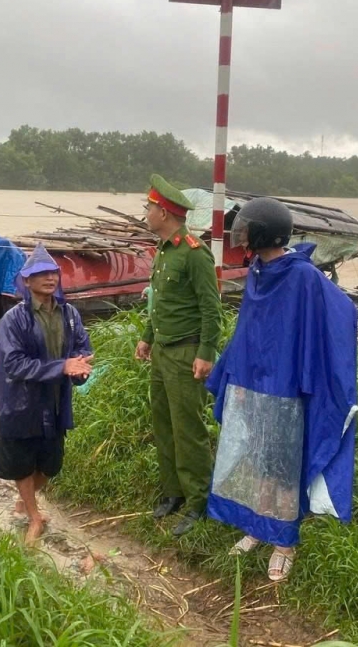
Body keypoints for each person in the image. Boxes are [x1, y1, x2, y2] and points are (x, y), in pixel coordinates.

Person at [205, 197, 358, 581]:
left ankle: (284, 542)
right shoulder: (258, 269)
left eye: (246, 229)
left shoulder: (303, 276)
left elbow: (342, 311)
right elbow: (250, 330)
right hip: (253, 380)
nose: (240, 237)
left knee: (284, 464)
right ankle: (259, 525)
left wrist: (311, 370)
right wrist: (234, 374)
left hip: (287, 384)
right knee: (259, 460)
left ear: (263, 232)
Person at [135, 174, 222, 537]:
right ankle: (172, 493)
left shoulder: (193, 252)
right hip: (163, 352)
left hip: (187, 353)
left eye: (150, 208)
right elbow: (161, 303)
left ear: (166, 213)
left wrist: (206, 353)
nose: (146, 213)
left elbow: (211, 308)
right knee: (164, 425)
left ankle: (198, 502)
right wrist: (146, 337)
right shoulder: (164, 250)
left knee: (189, 430)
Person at [0, 243, 93, 544]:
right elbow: (13, 363)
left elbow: (82, 346)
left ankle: (25, 502)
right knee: (22, 460)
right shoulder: (13, 319)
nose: (50, 278)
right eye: (42, 274)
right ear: (27, 281)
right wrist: (62, 366)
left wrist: (82, 364)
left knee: (50, 464)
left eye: (53, 273)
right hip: (20, 400)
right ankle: (34, 517)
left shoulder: (70, 313)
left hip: (54, 399)